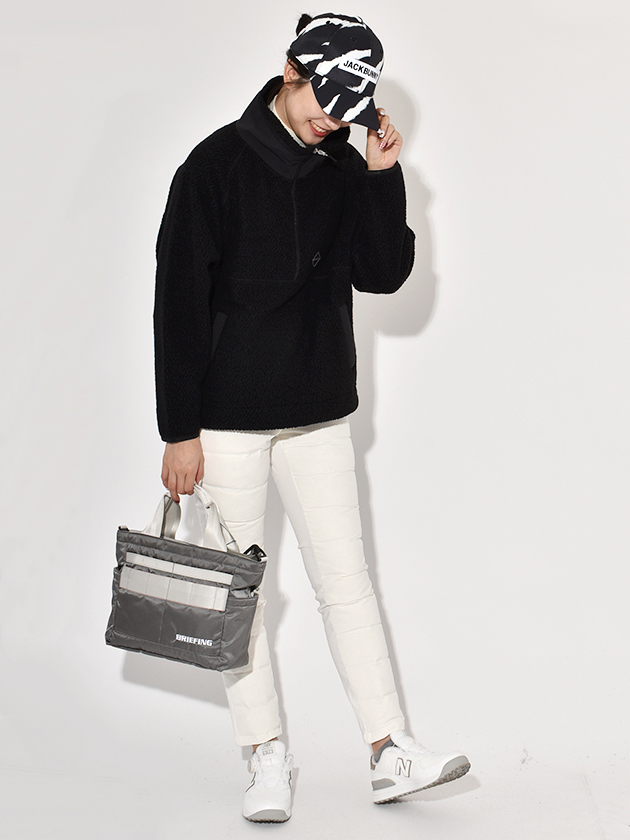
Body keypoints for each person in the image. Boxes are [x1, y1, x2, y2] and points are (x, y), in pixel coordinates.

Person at [154, 12, 469, 823]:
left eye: (349, 106)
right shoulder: (214, 167)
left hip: (319, 410)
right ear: (290, 72)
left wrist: (381, 176)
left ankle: (390, 748)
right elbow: (177, 304)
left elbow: (384, 274)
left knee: (347, 583)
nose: (334, 118)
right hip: (227, 420)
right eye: (325, 99)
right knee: (242, 596)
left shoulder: (343, 164)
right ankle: (264, 755)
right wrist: (178, 430)